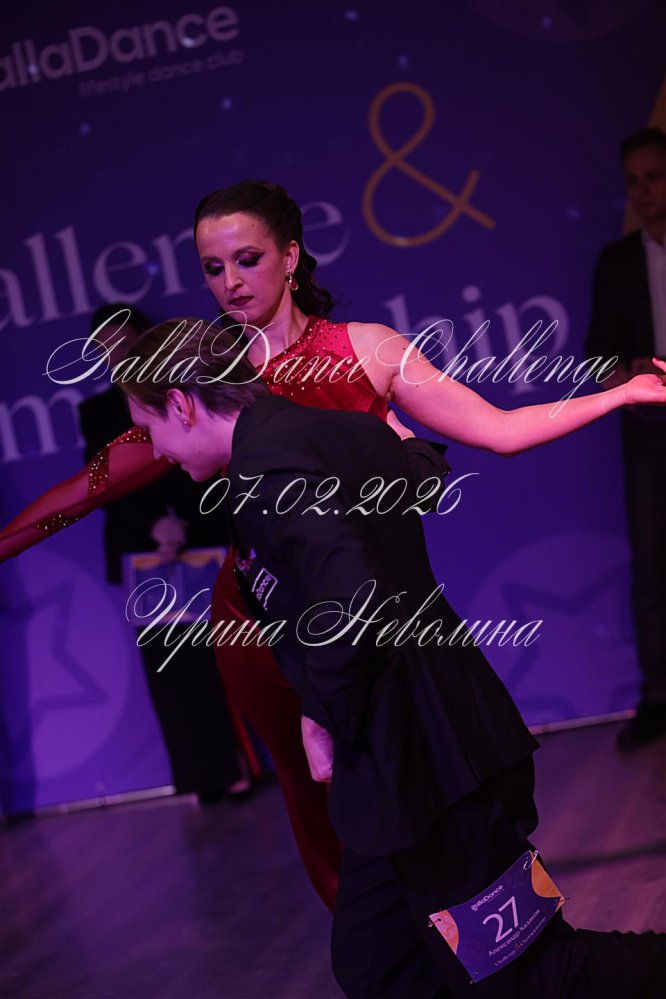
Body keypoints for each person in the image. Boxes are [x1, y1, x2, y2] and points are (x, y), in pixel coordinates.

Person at [1, 180, 664, 913]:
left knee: (408, 793)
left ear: (290, 256)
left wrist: (618, 394)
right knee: (320, 812)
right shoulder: (208, 370)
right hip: (256, 626)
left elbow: (498, 431)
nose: (230, 282)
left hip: (358, 617)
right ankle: (380, 949)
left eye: (247, 259)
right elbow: (92, 485)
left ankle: (456, 940)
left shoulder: (366, 349)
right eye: (212, 268)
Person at [116, 319, 666, 997]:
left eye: (148, 428)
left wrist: (319, 715)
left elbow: (350, 593)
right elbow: (420, 475)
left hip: (437, 766)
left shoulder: (268, 465)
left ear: (180, 403)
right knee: (376, 964)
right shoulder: (325, 431)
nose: (155, 450)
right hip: (397, 771)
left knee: (540, 976)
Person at [78, 302, 251, 803]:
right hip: (143, 552)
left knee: (219, 657)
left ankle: (238, 763)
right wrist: (151, 524)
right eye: (105, 348)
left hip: (199, 537)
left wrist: (182, 522)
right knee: (166, 667)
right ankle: (198, 776)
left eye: (124, 341)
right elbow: (99, 482)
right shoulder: (97, 412)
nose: (117, 353)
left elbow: (202, 455)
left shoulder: (181, 390)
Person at [585, 128, 666, 751]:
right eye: (633, 180)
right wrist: (630, 374)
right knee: (653, 565)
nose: (643, 191)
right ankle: (658, 697)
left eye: (654, 177)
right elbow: (595, 361)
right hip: (650, 434)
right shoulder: (616, 262)